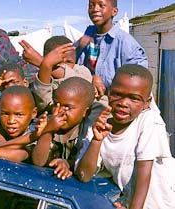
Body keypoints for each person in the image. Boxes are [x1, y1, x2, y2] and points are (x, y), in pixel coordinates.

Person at [75, 64, 175, 209]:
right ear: (108, 93)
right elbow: (84, 175)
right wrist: (97, 140)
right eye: (117, 94)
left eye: (134, 98)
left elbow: (143, 175)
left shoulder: (149, 122)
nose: (123, 103)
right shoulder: (100, 125)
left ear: (146, 103)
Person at [76, 0, 148, 99]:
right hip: (87, 99)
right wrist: (79, 47)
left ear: (114, 11)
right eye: (91, 5)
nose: (95, 9)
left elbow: (139, 78)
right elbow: (71, 67)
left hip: (114, 105)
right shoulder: (86, 38)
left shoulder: (126, 43)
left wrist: (106, 84)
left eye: (101, 5)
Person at [31, 77, 95, 180]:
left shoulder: (88, 132)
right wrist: (48, 131)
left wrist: (68, 164)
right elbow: (38, 161)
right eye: (56, 104)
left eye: (67, 107)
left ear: (85, 112)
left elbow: (85, 171)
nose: (59, 111)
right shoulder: (46, 123)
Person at [31, 36, 92, 113]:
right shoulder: (43, 75)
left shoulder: (81, 71)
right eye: (58, 62)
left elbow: (83, 84)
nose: (64, 66)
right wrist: (46, 66)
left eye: (68, 62)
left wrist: (44, 63)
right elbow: (44, 104)